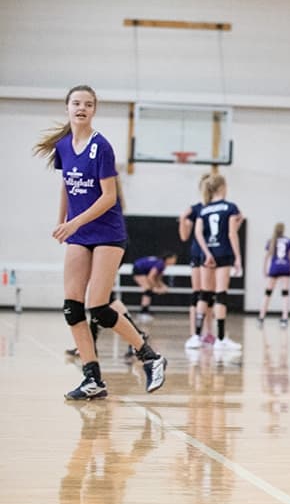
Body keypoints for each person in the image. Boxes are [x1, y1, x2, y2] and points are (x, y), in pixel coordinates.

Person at [33, 84, 167, 399]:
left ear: (94, 110)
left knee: (99, 306)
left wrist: (76, 222)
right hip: (79, 232)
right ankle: (92, 379)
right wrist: (62, 220)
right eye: (76, 103)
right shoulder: (64, 146)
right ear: (67, 107)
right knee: (72, 307)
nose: (82, 108)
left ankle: (150, 355)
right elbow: (66, 186)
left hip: (107, 232)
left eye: (88, 104)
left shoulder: (101, 147)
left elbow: (109, 197)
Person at [194, 173, 244, 352]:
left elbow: (198, 233)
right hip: (223, 252)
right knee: (221, 294)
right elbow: (231, 234)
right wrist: (238, 257)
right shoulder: (230, 207)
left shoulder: (203, 209)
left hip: (207, 253)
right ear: (222, 187)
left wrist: (206, 253)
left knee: (204, 295)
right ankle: (221, 339)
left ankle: (196, 337)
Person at [181, 174, 214, 348]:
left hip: (210, 254)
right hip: (199, 253)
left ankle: (207, 333)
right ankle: (196, 333)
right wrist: (183, 221)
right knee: (199, 294)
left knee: (207, 295)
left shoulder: (216, 208)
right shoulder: (196, 209)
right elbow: (184, 236)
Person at [257, 222, 290, 328]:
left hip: (274, 268)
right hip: (285, 267)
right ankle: (285, 318)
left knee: (267, 293)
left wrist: (264, 270)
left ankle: (261, 317)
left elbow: (266, 257)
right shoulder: (288, 241)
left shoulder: (271, 241)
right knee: (285, 294)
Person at [131, 252, 177, 322]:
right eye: (173, 259)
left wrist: (162, 286)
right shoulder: (160, 264)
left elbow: (158, 279)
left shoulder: (162, 264)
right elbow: (150, 277)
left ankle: (145, 311)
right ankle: (143, 313)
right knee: (148, 290)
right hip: (138, 269)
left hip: (141, 269)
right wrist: (156, 288)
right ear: (168, 259)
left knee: (149, 290)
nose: (175, 261)